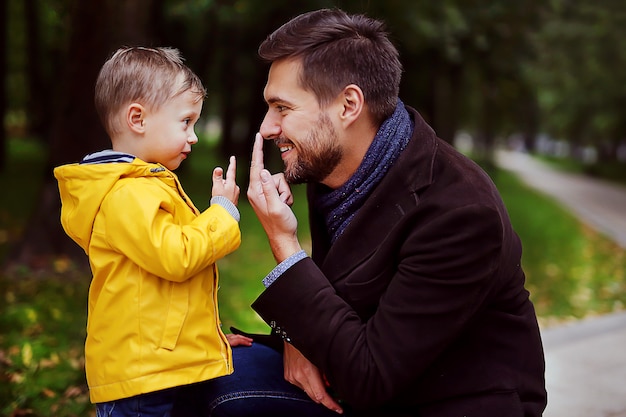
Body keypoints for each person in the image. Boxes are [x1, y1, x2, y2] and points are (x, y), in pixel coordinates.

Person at [206, 8, 547, 417]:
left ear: (348, 105)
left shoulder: (461, 215)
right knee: (203, 375)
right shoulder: (337, 170)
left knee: (227, 400)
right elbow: (337, 296)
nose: (266, 127)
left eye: (282, 108)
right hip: (358, 375)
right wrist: (296, 341)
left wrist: (284, 243)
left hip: (442, 401)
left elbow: (371, 377)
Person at [53, 46, 252, 417]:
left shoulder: (143, 185)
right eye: (186, 122)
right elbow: (176, 257)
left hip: (156, 369)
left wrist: (207, 341)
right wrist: (222, 214)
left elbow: (163, 293)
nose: (193, 136)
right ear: (138, 119)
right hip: (141, 377)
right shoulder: (126, 192)